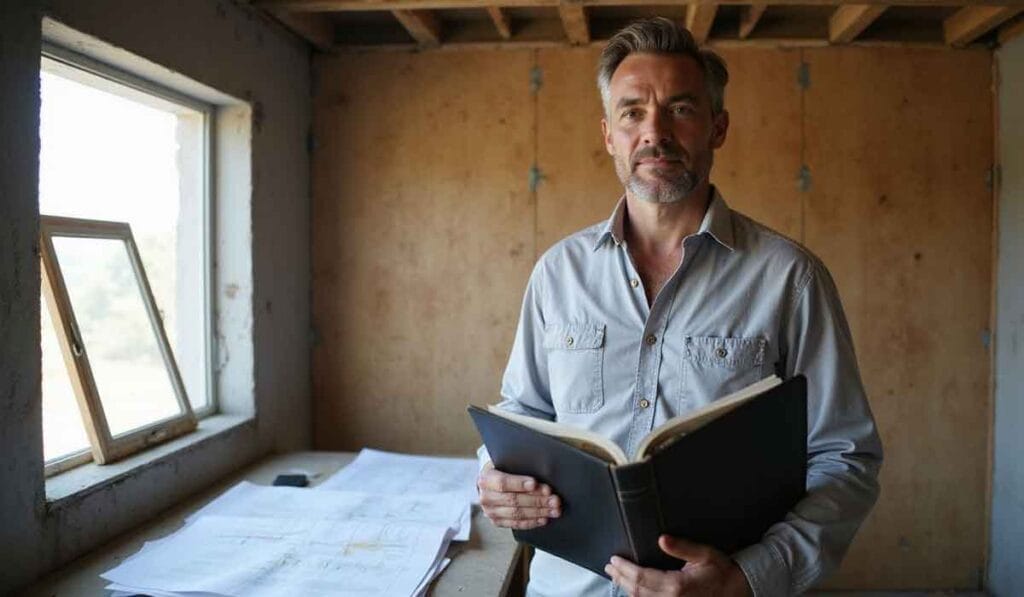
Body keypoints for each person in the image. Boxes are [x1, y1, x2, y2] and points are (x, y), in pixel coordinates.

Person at [475, 16, 883, 597]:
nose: (654, 132)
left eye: (681, 109)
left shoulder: (791, 278)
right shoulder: (557, 275)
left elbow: (846, 457)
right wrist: (493, 478)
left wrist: (748, 578)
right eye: (633, 111)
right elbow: (522, 414)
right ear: (609, 133)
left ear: (717, 127)